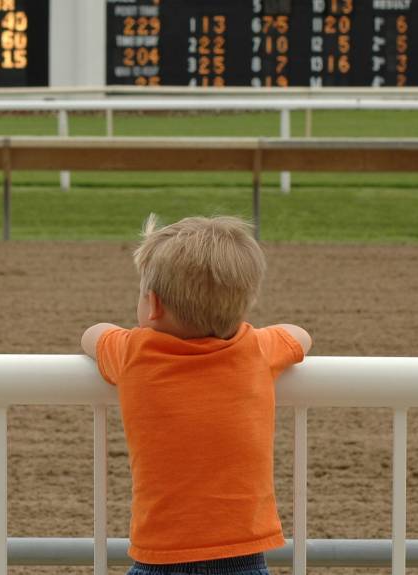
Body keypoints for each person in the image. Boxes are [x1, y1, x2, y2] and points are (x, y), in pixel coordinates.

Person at [81, 214, 312, 575]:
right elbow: (298, 335)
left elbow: (94, 334)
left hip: (159, 556)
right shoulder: (254, 348)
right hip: (244, 558)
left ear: (154, 305)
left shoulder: (134, 353)